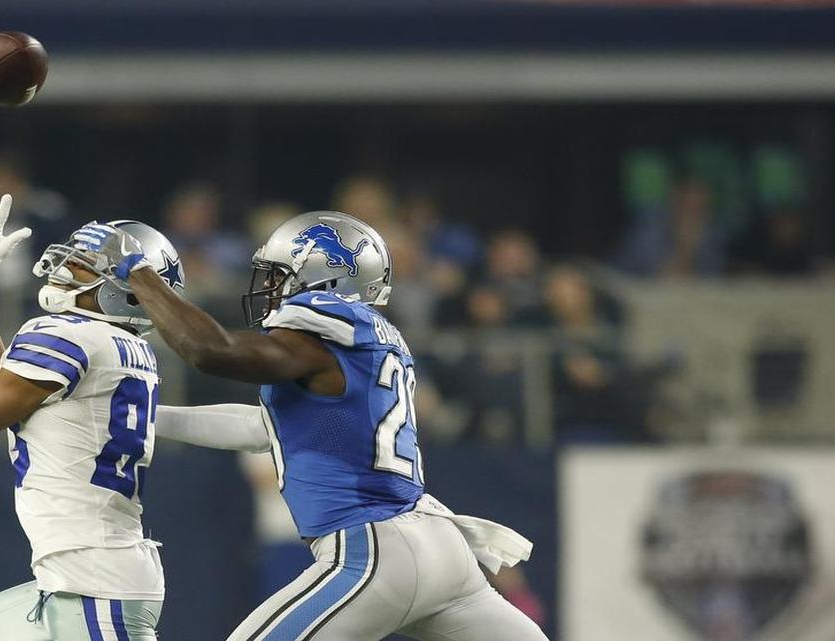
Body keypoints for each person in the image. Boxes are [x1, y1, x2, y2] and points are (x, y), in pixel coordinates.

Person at [67, 211, 548, 641]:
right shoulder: (370, 339)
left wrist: (140, 275)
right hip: (441, 548)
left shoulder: (322, 326)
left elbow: (213, 352)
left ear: (327, 278)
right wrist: (145, 417)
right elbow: (264, 429)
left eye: (280, 277)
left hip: (376, 546)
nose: (270, 289)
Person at [0, 185, 186, 640]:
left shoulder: (71, 335)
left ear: (128, 295)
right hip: (87, 579)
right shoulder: (121, 346)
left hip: (95, 589)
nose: (66, 269)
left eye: (86, 267)